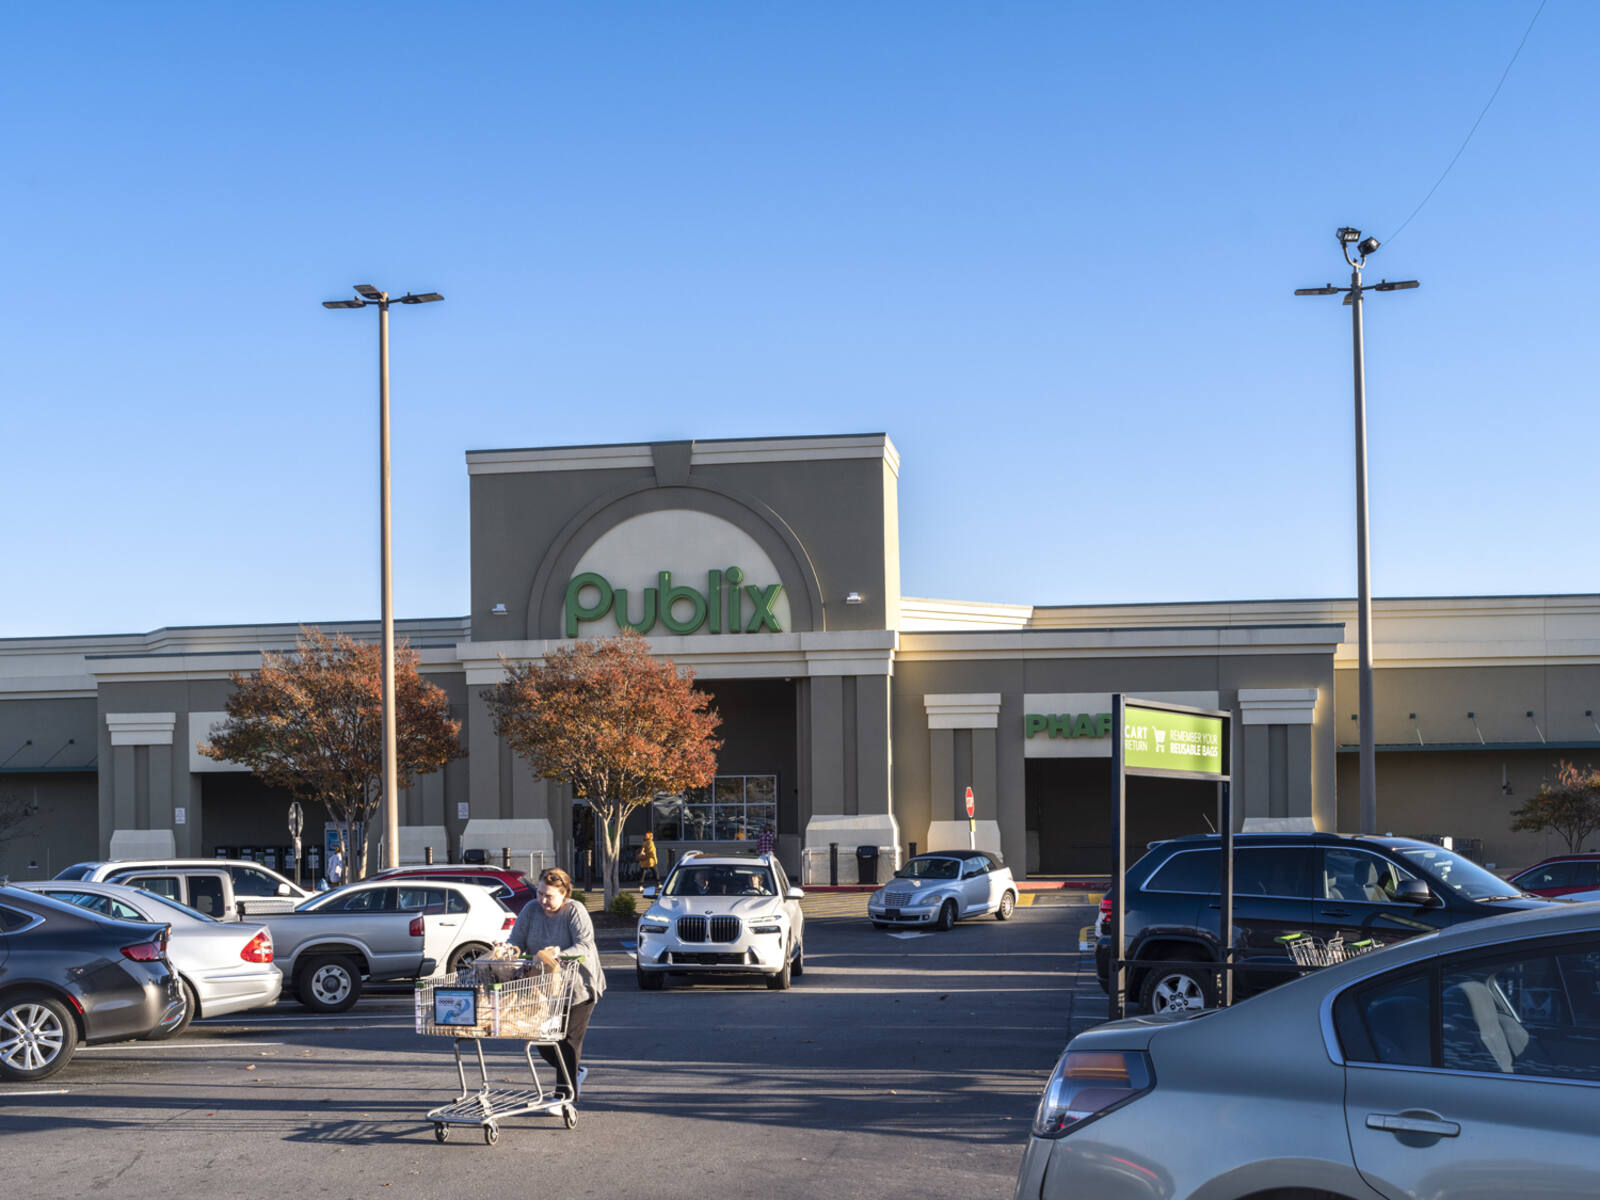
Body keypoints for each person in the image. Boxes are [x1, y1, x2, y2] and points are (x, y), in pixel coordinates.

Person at [505, 867, 606, 1102]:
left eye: (549, 896)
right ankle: (575, 1072)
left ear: (564, 894)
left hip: (578, 987)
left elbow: (585, 945)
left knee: (567, 1042)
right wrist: (507, 950)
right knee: (543, 1040)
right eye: (540, 893)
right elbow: (516, 940)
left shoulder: (575, 911)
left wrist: (558, 953)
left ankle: (563, 1098)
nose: (542, 900)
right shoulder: (531, 910)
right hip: (545, 989)